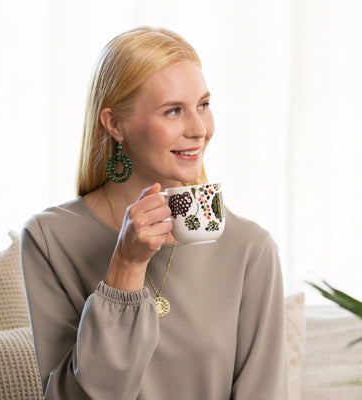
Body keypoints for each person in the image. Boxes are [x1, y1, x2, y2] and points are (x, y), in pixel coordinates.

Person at [21, 26, 288, 400]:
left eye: (204, 105)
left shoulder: (250, 248)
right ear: (115, 124)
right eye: (174, 111)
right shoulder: (49, 239)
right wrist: (126, 267)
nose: (199, 129)